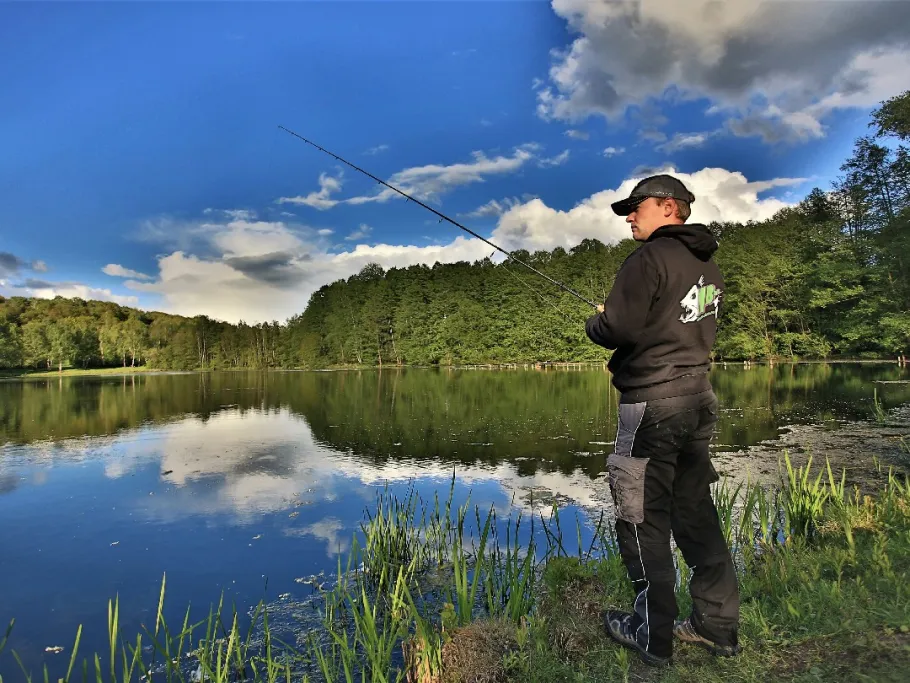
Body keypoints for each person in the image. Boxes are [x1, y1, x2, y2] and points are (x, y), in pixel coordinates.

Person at [585, 174, 740, 667]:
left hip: (651, 402)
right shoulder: (707, 265)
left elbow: (617, 328)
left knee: (638, 515)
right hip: (697, 399)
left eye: (637, 207)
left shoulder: (647, 259)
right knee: (693, 509)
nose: (630, 215)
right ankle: (717, 625)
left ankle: (652, 634)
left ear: (668, 207)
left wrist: (598, 319)